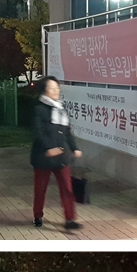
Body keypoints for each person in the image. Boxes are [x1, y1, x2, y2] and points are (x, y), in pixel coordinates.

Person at [30, 76, 82, 231]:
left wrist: (74, 148)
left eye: (57, 88)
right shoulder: (39, 109)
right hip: (44, 157)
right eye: (51, 88)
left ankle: (70, 219)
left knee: (67, 188)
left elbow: (67, 132)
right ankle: (38, 216)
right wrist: (49, 148)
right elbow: (38, 132)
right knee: (40, 189)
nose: (56, 91)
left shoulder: (60, 108)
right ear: (44, 91)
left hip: (61, 156)